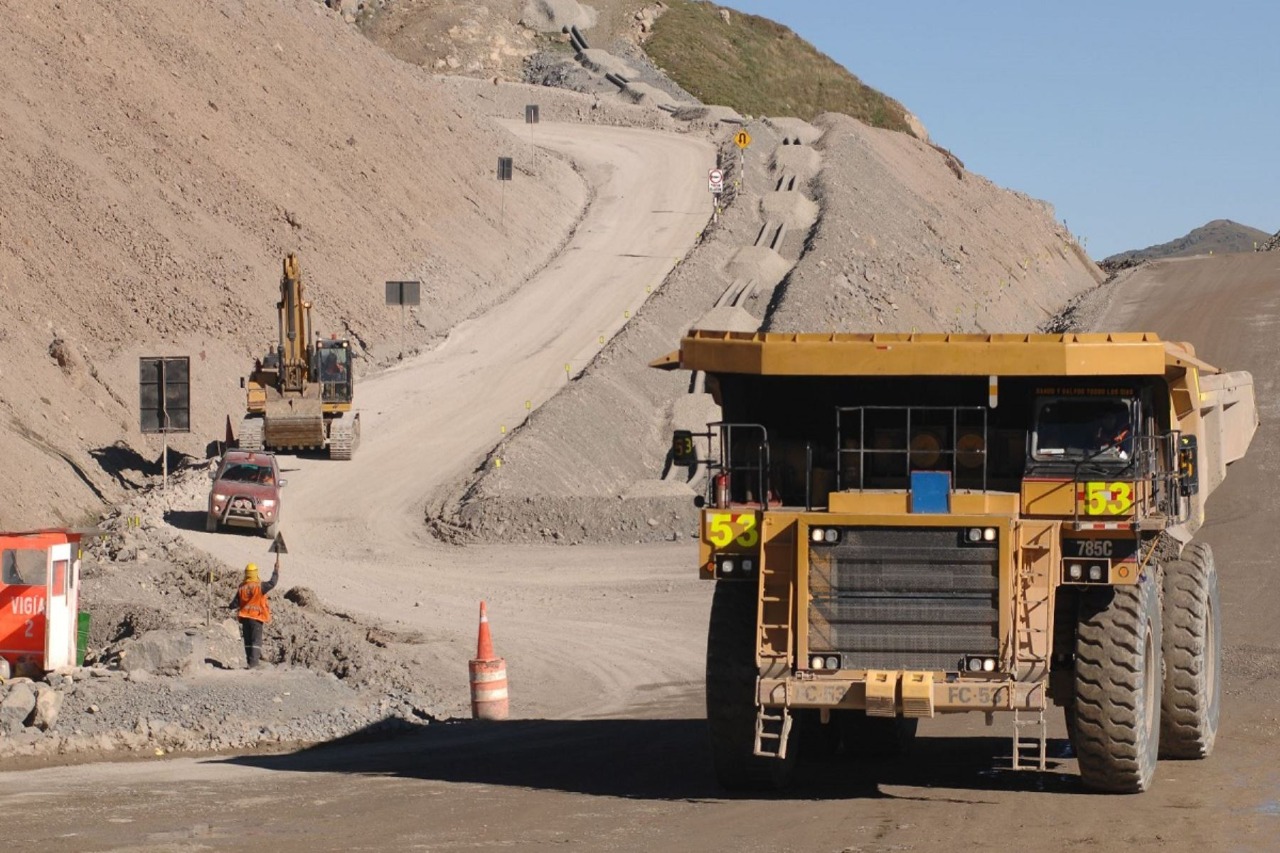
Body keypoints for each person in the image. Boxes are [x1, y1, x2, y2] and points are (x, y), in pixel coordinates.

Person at [230, 559, 279, 668]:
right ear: (256, 573)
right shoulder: (260, 586)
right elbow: (272, 583)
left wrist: (230, 606)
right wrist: (276, 570)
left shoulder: (241, 587)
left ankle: (249, 662)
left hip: (245, 618)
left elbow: (235, 603)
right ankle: (254, 664)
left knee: (247, 641)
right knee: (256, 641)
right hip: (256, 617)